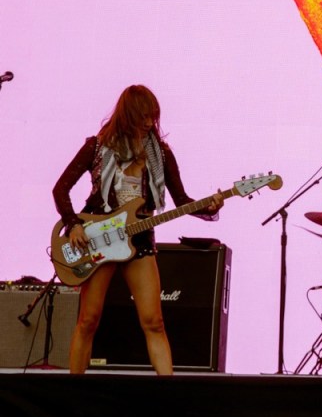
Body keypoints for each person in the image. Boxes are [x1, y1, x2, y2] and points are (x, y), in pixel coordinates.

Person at [52, 85, 223, 374]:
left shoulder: (161, 153)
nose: (148, 123)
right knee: (88, 320)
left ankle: (168, 395)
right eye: (143, 117)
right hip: (97, 238)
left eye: (152, 117)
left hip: (139, 239)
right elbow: (61, 189)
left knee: (154, 321)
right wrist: (74, 224)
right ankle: (75, 394)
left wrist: (211, 206)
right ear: (129, 115)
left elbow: (181, 200)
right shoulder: (96, 146)